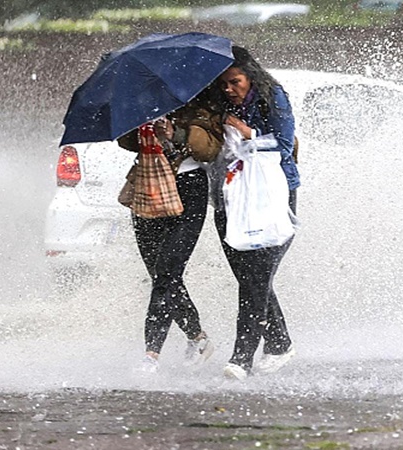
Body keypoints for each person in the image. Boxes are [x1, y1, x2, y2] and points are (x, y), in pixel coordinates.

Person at [209, 46, 300, 380]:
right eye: (223, 85)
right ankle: (279, 344)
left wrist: (248, 134)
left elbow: (284, 142)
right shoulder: (216, 106)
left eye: (235, 82)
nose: (229, 90)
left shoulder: (272, 96)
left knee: (257, 276)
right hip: (229, 196)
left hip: (272, 194)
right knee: (249, 277)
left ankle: (241, 358)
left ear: (251, 77)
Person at [118, 87, 224, 373]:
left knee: (167, 271)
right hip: (148, 184)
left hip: (189, 189)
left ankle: (151, 354)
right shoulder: (141, 100)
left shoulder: (203, 103)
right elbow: (124, 141)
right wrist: (138, 123)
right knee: (159, 274)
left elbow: (210, 149)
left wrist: (174, 133)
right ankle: (198, 338)